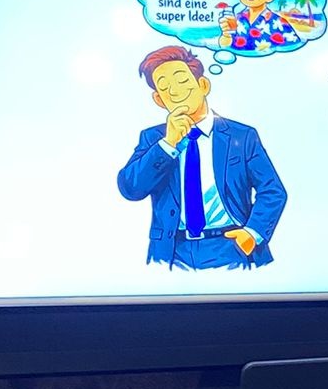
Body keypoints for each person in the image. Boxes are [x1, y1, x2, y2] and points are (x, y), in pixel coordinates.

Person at [117, 44, 287, 270]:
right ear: (158, 99)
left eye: (182, 80)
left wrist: (252, 233)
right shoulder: (153, 139)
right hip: (171, 251)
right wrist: (168, 144)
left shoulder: (242, 136)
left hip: (231, 246)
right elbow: (131, 188)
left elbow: (272, 190)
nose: (175, 91)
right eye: (165, 87)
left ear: (203, 85)